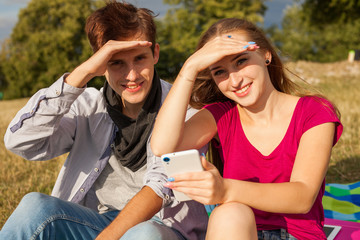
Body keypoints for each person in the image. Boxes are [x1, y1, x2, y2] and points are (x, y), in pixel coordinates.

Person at [1, 1, 208, 240]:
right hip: (94, 222)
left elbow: (161, 187)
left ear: (156, 54)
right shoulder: (88, 106)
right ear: (100, 63)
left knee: (145, 234)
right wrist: (81, 74)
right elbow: (21, 141)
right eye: (116, 62)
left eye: (140, 58)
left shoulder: (185, 109)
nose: (131, 75)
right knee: (33, 206)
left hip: (161, 226)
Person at [150, 18, 343, 240]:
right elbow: (162, 146)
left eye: (241, 61)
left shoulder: (313, 111)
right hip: (237, 231)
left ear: (266, 54)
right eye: (219, 72)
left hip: (298, 235)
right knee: (229, 213)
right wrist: (189, 69)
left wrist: (225, 189)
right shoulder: (221, 114)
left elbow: (302, 197)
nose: (235, 81)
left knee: (228, 209)